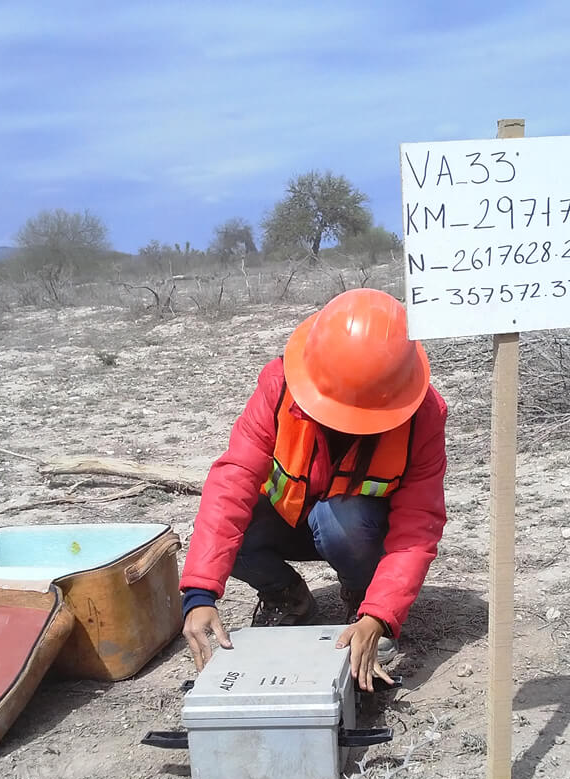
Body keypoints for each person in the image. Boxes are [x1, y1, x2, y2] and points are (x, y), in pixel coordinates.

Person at [180, 288, 447, 692]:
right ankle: (287, 596)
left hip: (356, 533)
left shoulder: (423, 415)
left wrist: (380, 613)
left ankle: (361, 601)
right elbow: (230, 483)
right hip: (288, 520)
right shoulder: (279, 387)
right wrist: (199, 594)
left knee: (341, 519)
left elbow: (417, 526)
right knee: (238, 524)